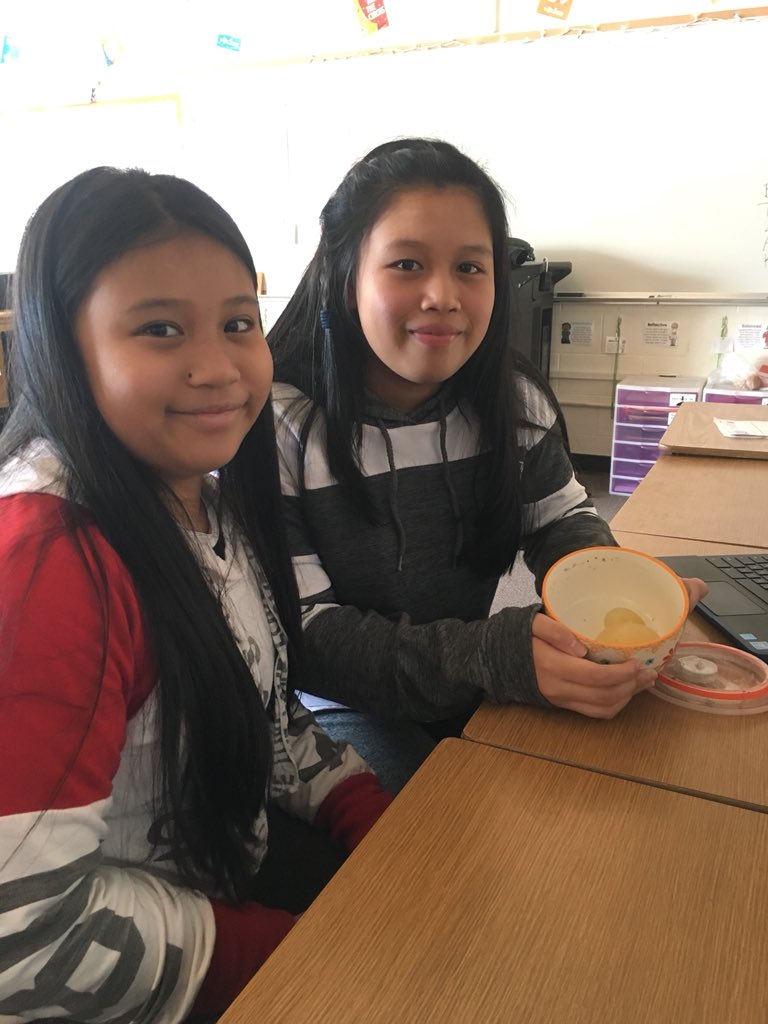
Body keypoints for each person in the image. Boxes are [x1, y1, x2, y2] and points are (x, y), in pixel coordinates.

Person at [0, 167, 393, 1022]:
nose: (218, 367)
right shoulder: (49, 566)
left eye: (238, 322)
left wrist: (367, 814)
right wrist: (280, 949)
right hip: (139, 980)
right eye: (160, 329)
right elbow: (21, 938)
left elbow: (256, 699)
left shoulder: (196, 498)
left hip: (216, 881)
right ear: (63, 351)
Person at [268, 137, 706, 778]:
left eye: (471, 268)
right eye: (407, 264)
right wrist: (491, 657)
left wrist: (623, 602)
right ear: (345, 272)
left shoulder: (510, 398)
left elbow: (562, 522)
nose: (443, 294)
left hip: (464, 678)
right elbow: (309, 640)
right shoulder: (281, 424)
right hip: (336, 705)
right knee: (444, 827)